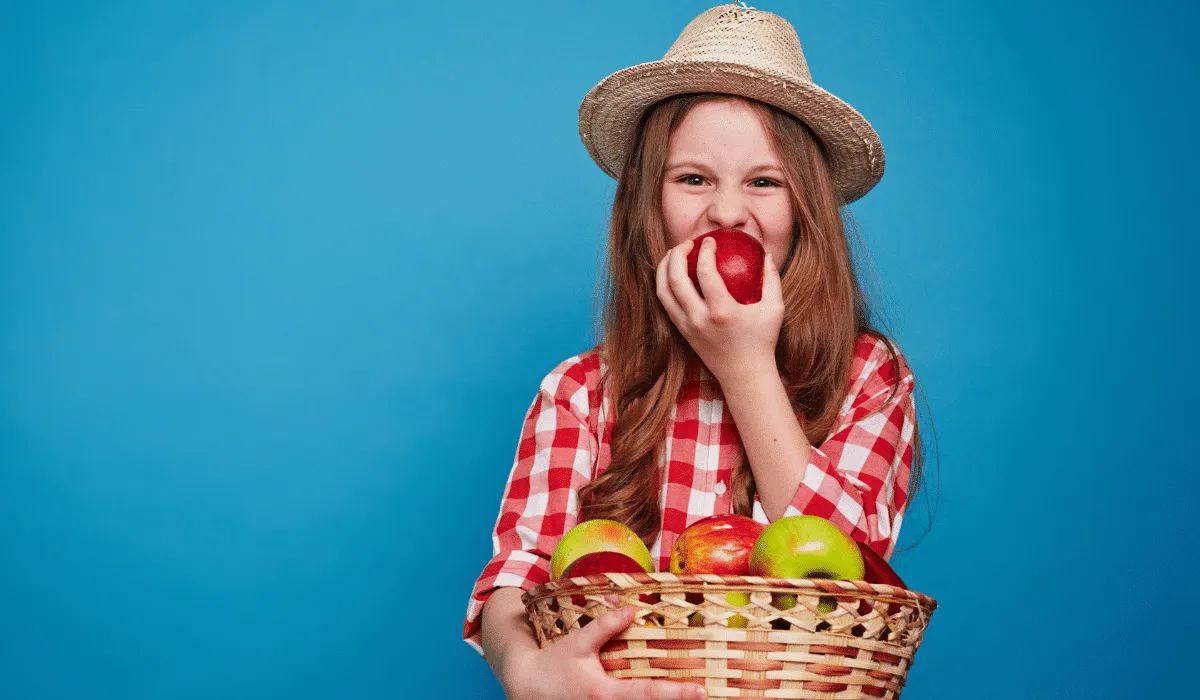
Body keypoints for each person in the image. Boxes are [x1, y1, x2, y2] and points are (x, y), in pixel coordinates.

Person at [463, 4, 929, 699]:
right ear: (646, 207)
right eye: (694, 179)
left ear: (807, 211)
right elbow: (518, 573)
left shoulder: (869, 377)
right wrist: (525, 667)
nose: (728, 213)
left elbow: (852, 575)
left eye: (764, 182)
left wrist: (746, 364)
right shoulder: (579, 393)